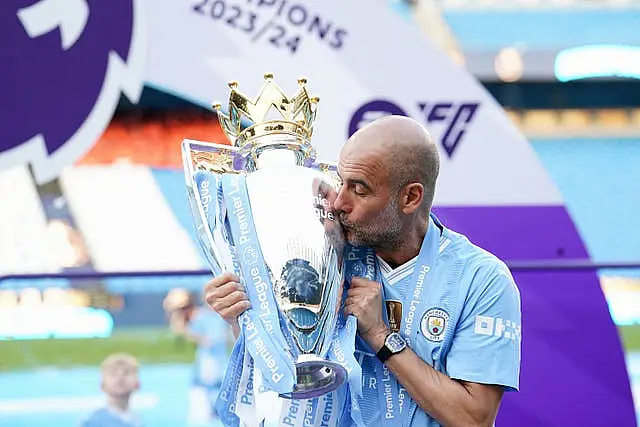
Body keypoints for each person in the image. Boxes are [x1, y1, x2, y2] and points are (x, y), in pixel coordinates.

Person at [204, 115, 522, 426]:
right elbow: (287, 377)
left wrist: (380, 336)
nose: (338, 202)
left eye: (359, 188)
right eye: (341, 181)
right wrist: (245, 319)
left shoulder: (482, 279)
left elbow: (474, 418)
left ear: (410, 197)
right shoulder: (326, 254)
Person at [163, 288, 230, 426]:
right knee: (203, 386)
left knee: (220, 384)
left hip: (220, 359)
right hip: (206, 359)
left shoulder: (223, 316)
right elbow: (184, 330)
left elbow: (228, 333)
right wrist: (202, 339)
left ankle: (217, 409)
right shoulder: (200, 316)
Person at [79, 353, 143, 427]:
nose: (120, 378)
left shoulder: (136, 420)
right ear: (102, 385)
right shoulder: (92, 421)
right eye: (113, 374)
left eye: (126, 373)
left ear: (137, 384)